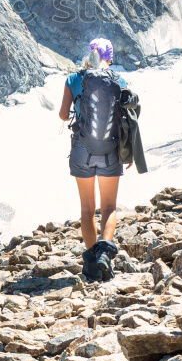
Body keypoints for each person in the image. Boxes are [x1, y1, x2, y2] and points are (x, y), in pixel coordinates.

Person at [59, 37, 129, 282]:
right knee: (108, 207)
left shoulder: (74, 79)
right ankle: (105, 254)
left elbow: (62, 115)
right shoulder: (118, 81)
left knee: (87, 209)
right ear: (110, 57)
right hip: (110, 150)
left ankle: (90, 267)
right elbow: (128, 118)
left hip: (81, 150)